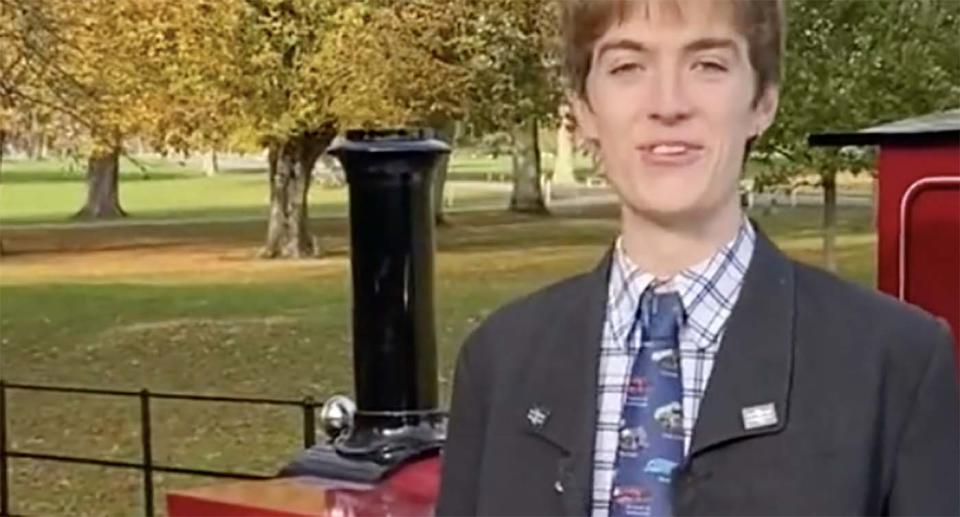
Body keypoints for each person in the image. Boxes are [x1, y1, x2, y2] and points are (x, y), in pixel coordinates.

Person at [436, 0, 960, 516]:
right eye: (627, 66)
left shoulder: (896, 367)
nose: (668, 103)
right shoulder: (500, 363)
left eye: (707, 64)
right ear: (582, 110)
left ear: (763, 101)